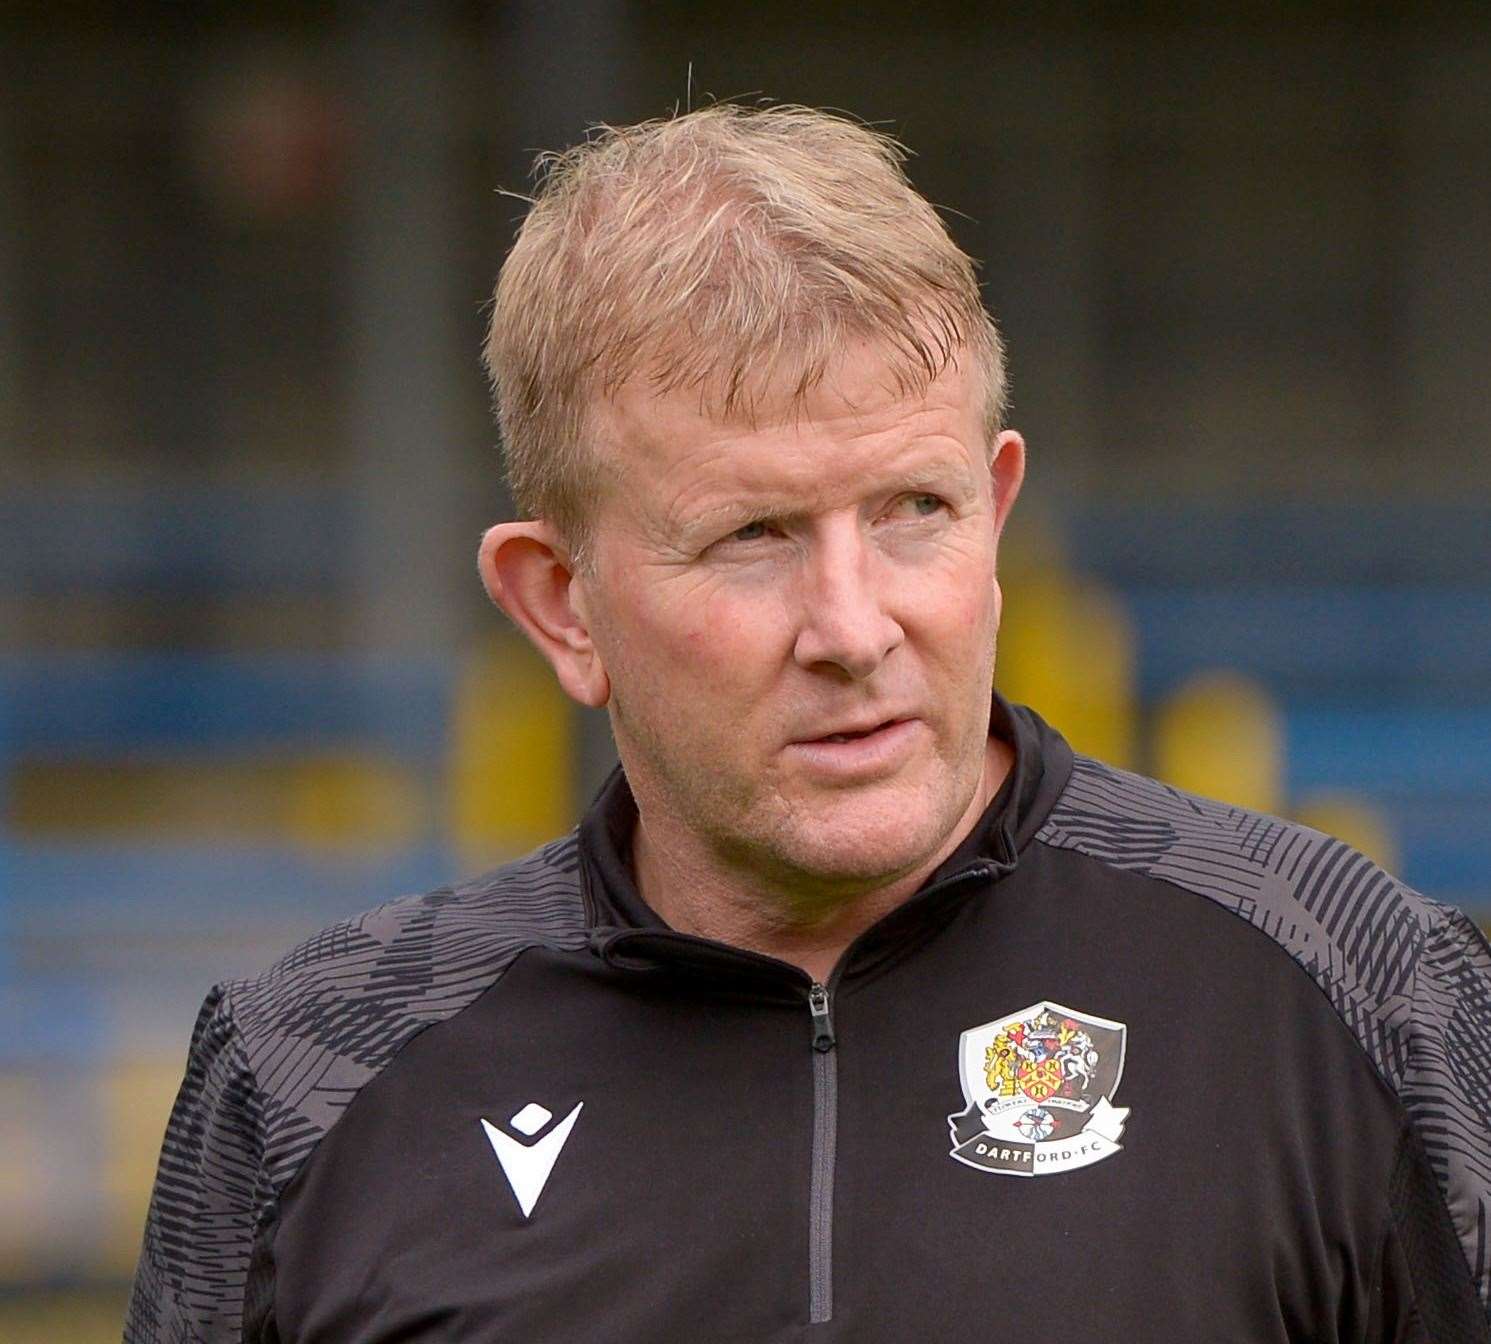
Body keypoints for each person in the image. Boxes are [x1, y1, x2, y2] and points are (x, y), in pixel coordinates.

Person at [126, 104, 1491, 1342]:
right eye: (753, 535)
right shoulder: (311, 1075)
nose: (852, 626)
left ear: (997, 514)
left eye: (913, 511)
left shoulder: (1352, 988)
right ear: (561, 606)